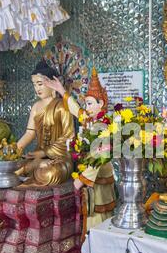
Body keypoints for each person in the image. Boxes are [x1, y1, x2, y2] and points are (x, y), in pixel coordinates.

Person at [43, 68, 116, 231]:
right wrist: (61, 90)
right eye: (86, 104)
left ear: (101, 104)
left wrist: (80, 180)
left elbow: (98, 158)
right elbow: (76, 110)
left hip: (99, 178)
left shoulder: (105, 126)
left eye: (90, 104)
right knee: (92, 219)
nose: (86, 107)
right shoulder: (91, 120)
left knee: (99, 220)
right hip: (92, 180)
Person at [16, 60, 75, 186]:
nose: (37, 88)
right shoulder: (36, 106)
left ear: (52, 84)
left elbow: (69, 136)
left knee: (51, 173)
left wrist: (45, 153)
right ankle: (34, 166)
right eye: (34, 85)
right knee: (16, 166)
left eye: (40, 84)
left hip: (59, 158)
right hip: (39, 156)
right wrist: (13, 151)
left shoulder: (62, 106)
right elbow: (29, 133)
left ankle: (35, 168)